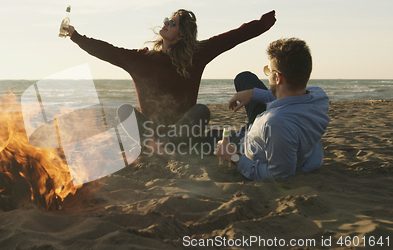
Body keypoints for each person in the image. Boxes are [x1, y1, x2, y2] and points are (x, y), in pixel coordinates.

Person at [62, 9, 276, 148]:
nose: (165, 23)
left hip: (186, 131)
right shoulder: (141, 59)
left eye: (172, 23)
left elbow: (233, 37)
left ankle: (163, 145)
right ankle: (164, 144)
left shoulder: (197, 55)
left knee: (202, 110)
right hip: (153, 130)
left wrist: (264, 23)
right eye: (167, 20)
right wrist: (75, 36)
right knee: (124, 111)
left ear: (182, 34)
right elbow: (106, 50)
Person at [215, 38, 331, 180]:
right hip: (264, 129)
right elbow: (291, 95)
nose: (267, 74)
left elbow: (279, 175)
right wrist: (253, 93)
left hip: (246, 144)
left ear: (277, 78)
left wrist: (232, 156)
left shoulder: (276, 124)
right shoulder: (319, 96)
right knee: (244, 78)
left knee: (209, 139)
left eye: (268, 71)